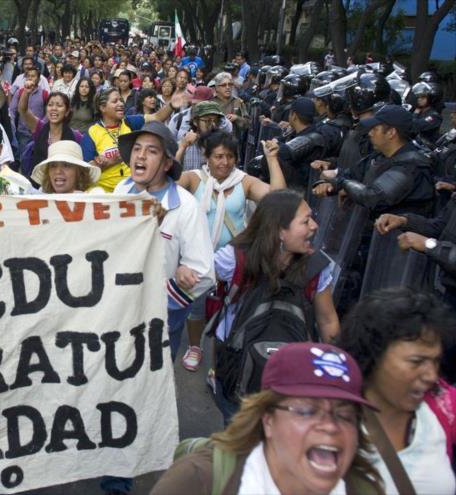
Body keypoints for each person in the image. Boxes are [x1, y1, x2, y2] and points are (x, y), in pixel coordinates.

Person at [104, 121, 214, 495]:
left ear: (168, 163)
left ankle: (119, 478)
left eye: (152, 151)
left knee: (138, 393)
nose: (140, 156)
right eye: (137, 149)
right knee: (114, 389)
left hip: (161, 320)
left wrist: (168, 299)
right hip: (115, 313)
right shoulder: (120, 191)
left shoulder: (185, 208)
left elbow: (203, 274)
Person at [151, 342, 384, 495]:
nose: (331, 426)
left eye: (345, 415)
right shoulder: (197, 480)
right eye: (306, 411)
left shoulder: (365, 489)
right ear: (268, 420)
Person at [212, 189, 340, 421]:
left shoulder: (316, 268)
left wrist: (334, 375)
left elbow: (327, 320)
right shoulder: (234, 259)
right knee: (235, 443)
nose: (314, 226)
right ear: (280, 230)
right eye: (306, 220)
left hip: (293, 382)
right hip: (236, 371)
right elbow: (197, 279)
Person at [176, 132, 286, 371]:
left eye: (230, 157)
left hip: (234, 261)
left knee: (233, 308)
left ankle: (224, 355)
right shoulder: (193, 179)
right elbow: (166, 188)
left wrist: (272, 159)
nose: (224, 162)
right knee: (195, 306)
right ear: (206, 156)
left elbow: (278, 198)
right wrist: (182, 147)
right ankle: (195, 346)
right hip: (198, 259)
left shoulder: (244, 181)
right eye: (218, 156)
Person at [336, 288, 456, 494]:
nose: (431, 376)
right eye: (416, 362)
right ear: (373, 356)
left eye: (435, 361)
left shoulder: (445, 408)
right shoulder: (325, 418)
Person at [320, 104, 435, 218]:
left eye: (375, 129)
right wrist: (328, 184)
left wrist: (341, 183)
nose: (370, 133)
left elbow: (374, 197)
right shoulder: (379, 156)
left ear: (391, 133)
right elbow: (351, 174)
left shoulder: (411, 164)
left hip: (395, 234)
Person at [82, 87, 188, 192]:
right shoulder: (92, 132)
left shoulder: (130, 122)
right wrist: (111, 161)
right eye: (115, 101)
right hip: (104, 193)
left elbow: (156, 118)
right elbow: (86, 172)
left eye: (121, 100)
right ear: (102, 108)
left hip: (132, 189)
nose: (121, 104)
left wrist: (171, 105)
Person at [17, 83, 83, 178]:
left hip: (63, 185)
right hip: (39, 184)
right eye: (50, 105)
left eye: (59, 106)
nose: (54, 109)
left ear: (67, 111)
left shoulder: (76, 136)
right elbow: (22, 110)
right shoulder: (39, 128)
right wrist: (26, 92)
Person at [30, 140, 101, 194]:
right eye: (53, 166)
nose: (58, 171)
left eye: (66, 166)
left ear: (79, 172)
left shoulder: (92, 202)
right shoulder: (39, 198)